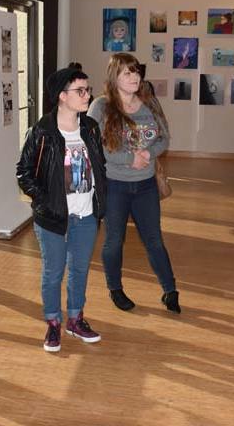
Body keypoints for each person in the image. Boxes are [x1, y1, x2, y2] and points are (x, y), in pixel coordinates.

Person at [16, 67, 107, 352]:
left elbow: (99, 165)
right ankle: (53, 322)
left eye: (87, 90)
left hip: (86, 215)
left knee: (79, 270)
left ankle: (76, 319)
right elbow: (24, 172)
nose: (87, 95)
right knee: (54, 272)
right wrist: (43, 201)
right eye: (80, 91)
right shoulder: (42, 131)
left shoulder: (91, 128)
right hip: (53, 217)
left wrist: (101, 200)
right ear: (62, 96)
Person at [87, 53, 180, 314]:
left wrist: (149, 154)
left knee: (154, 240)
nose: (134, 77)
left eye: (136, 72)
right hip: (115, 186)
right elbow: (94, 145)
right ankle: (115, 288)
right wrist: (130, 159)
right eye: (127, 73)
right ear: (114, 76)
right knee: (114, 241)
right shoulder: (102, 107)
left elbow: (163, 138)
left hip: (146, 186)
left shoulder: (149, 103)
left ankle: (170, 290)